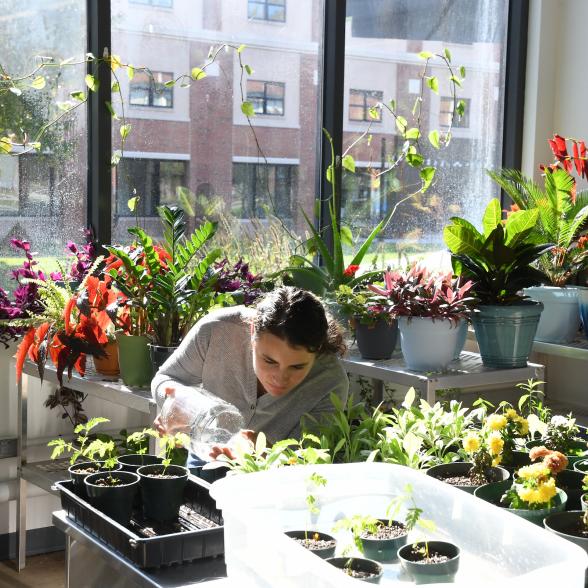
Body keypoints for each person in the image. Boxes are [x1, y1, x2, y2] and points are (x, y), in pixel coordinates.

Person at [151, 286, 349, 469]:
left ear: (318, 350)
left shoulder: (330, 380)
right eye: (269, 361)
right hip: (205, 456)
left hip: (268, 479)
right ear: (253, 330)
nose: (280, 378)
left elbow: (310, 459)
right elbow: (166, 377)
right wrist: (180, 401)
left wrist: (267, 452)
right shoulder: (216, 330)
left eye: (297, 366)